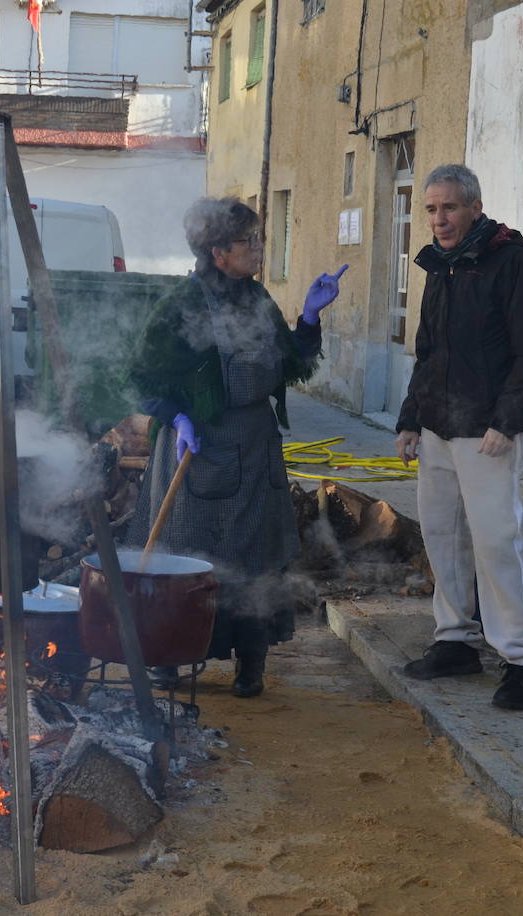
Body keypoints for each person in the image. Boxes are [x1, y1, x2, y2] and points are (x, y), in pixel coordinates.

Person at [128, 196, 346, 698]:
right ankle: (168, 656)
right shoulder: (179, 305)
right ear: (218, 251)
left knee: (255, 560)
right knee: (184, 559)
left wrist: (310, 318)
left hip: (255, 448)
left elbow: (290, 364)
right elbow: (139, 376)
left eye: (258, 238)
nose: (259, 248)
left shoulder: (258, 298)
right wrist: (176, 415)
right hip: (196, 450)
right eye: (250, 241)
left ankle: (252, 662)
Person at [394, 163, 523, 711]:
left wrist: (507, 420)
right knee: (442, 537)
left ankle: (522, 660)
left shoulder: (510, 261)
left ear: (474, 207)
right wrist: (410, 418)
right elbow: (428, 350)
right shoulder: (440, 267)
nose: (439, 219)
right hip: (439, 426)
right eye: (432, 209)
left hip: (487, 430)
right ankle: (455, 641)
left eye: (450, 208)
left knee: (494, 543)